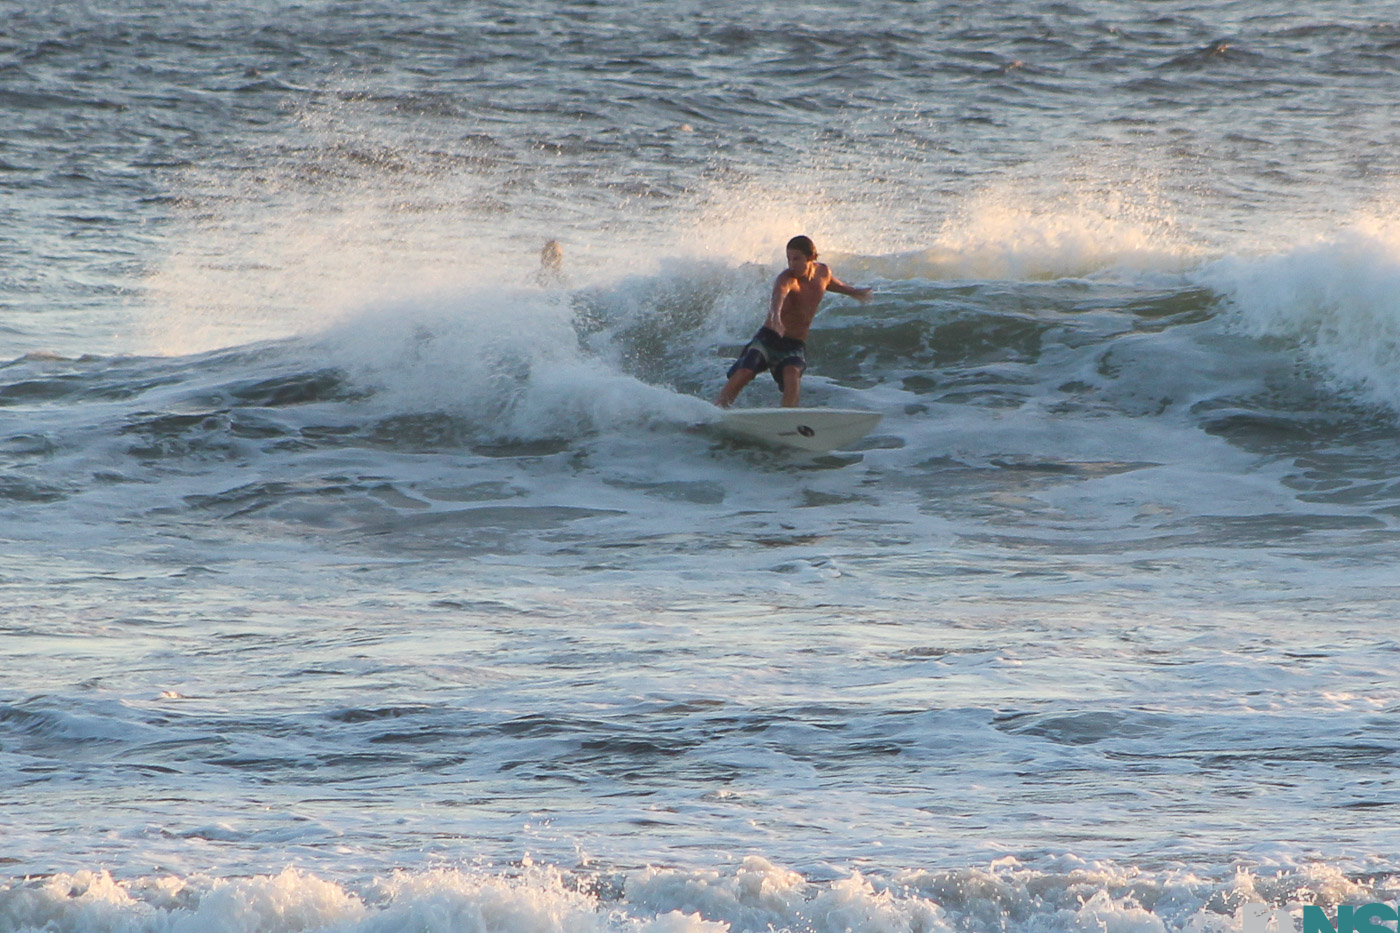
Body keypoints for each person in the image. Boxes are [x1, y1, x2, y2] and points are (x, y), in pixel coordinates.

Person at [715, 235, 872, 408]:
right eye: (789, 259)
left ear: (811, 257)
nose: (791, 264)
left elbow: (829, 283)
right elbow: (778, 296)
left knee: (792, 374)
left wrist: (853, 291)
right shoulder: (787, 279)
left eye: (796, 259)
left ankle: (789, 416)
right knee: (745, 371)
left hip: (794, 344)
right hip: (769, 338)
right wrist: (775, 316)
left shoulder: (823, 272)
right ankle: (719, 408)